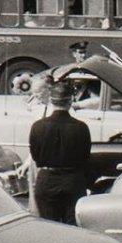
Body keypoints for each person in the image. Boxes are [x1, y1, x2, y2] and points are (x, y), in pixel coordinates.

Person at [28, 80, 92, 224]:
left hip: (47, 180)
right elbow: (85, 157)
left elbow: (35, 156)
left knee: (49, 227)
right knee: (72, 226)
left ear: (51, 101)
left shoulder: (38, 127)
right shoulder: (81, 128)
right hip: (73, 180)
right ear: (70, 101)